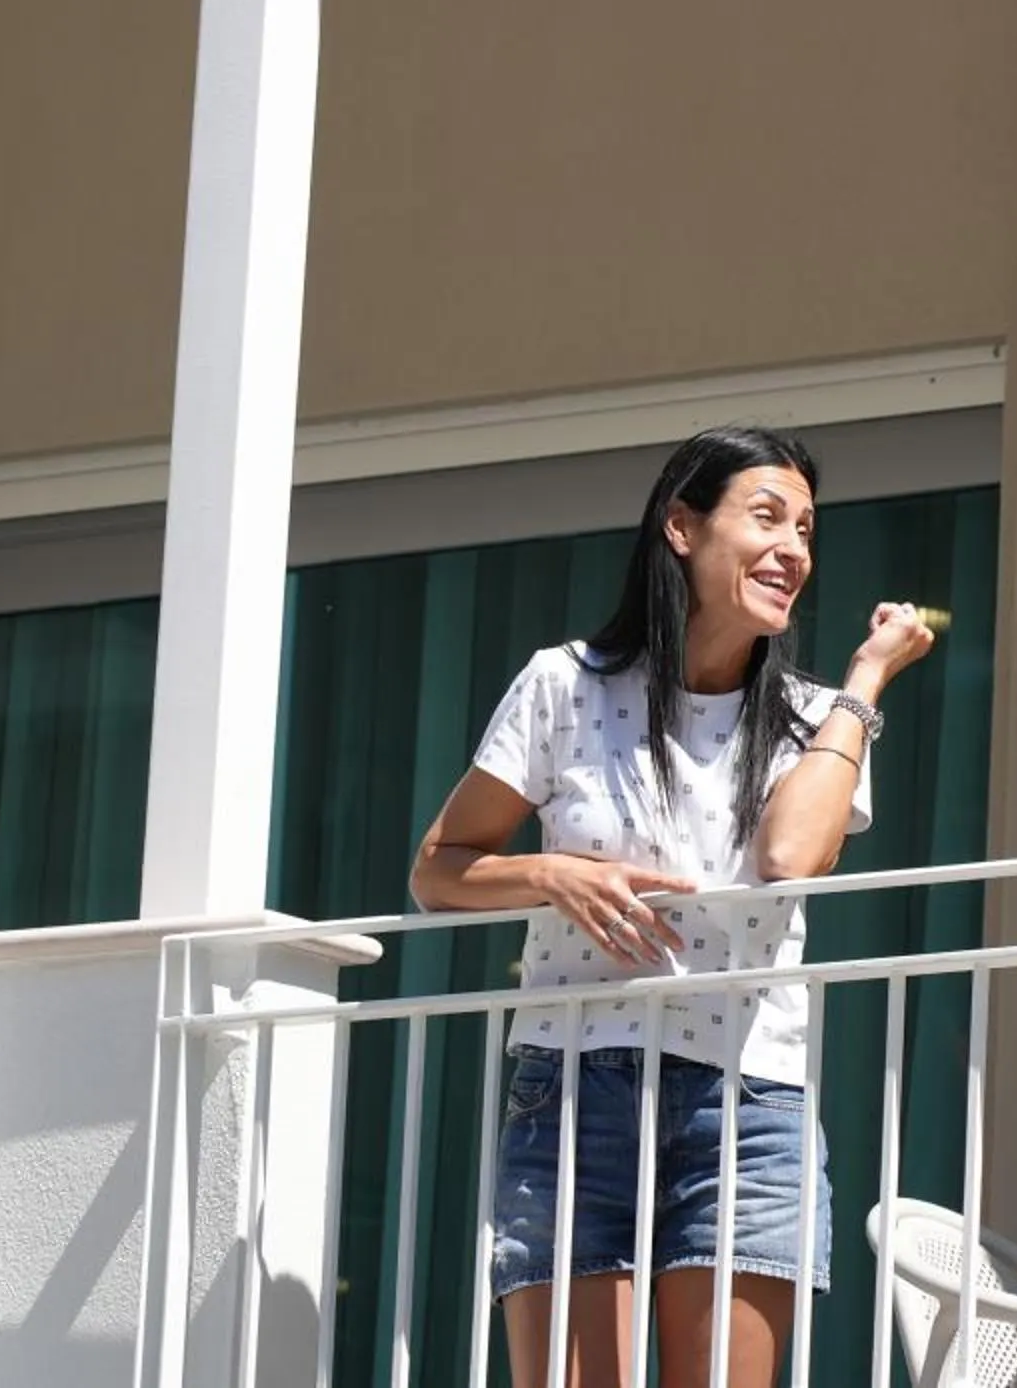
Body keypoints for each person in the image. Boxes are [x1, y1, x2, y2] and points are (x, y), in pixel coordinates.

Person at [410, 425, 937, 1388]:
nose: (793, 551)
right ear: (683, 529)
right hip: (573, 1088)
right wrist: (551, 875)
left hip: (749, 1099)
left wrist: (864, 682)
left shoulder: (819, 720)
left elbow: (787, 857)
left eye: (808, 532)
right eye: (767, 517)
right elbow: (440, 869)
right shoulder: (565, 685)